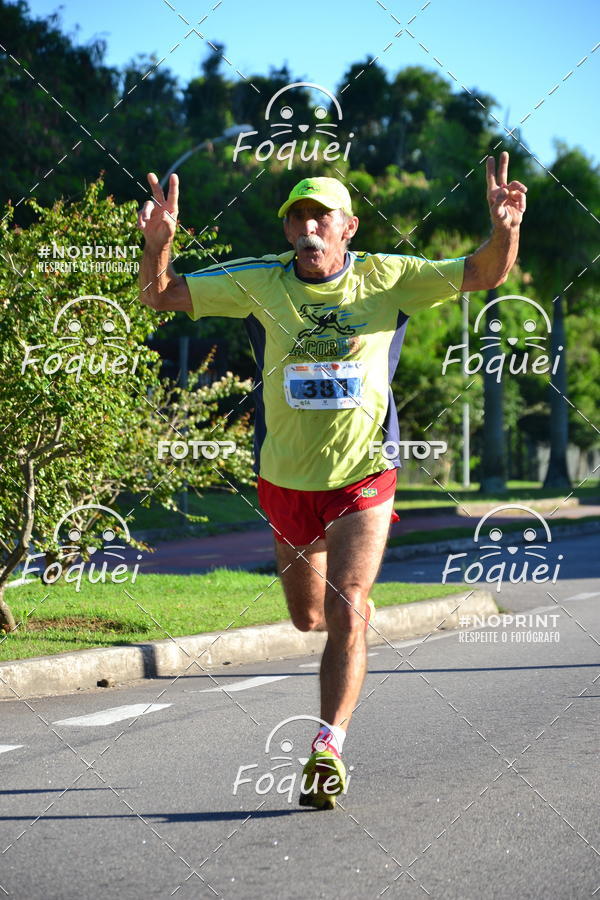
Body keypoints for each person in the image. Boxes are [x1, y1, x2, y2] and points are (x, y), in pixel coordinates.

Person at [137, 154, 527, 809]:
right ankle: (334, 645)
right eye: (298, 217)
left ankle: (327, 746)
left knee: (349, 605)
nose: (310, 226)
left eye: (322, 215)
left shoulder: (389, 277)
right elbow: (160, 293)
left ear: (348, 227)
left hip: (363, 475)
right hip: (285, 479)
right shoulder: (260, 281)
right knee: (307, 616)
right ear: (289, 232)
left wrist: (505, 228)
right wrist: (159, 244)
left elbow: (484, 272)